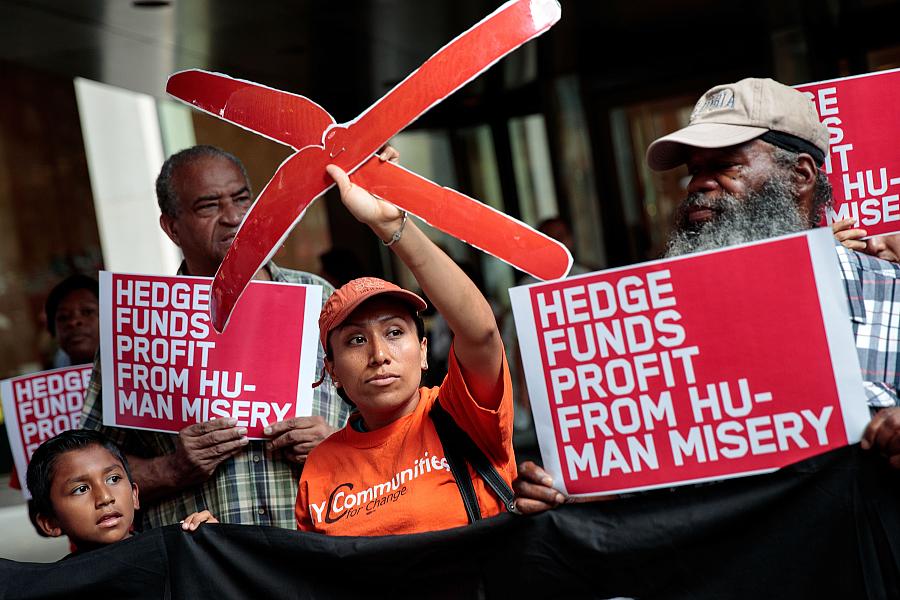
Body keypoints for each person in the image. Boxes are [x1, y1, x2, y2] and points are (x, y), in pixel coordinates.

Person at [514, 77, 900, 510]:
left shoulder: (891, 295)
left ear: (800, 176)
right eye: (694, 170)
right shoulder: (648, 329)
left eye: (725, 165)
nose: (698, 184)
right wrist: (573, 490)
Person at [79, 145, 372, 529]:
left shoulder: (320, 300)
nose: (233, 217)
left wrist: (337, 444)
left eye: (241, 199)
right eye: (208, 206)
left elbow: (388, 419)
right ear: (171, 227)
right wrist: (172, 469)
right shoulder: (140, 321)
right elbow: (85, 467)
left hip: (320, 558)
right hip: (205, 572)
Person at [295, 163, 515, 535]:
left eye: (395, 332)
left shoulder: (461, 414)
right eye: (356, 340)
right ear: (331, 370)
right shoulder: (319, 468)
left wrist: (392, 226)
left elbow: (481, 335)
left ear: (424, 350)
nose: (379, 354)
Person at [25, 429, 216, 555]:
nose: (105, 498)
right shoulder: (56, 587)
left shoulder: (179, 553)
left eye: (113, 479)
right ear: (49, 522)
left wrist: (215, 548)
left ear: (134, 495)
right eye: (81, 489)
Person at [45, 274, 100, 367]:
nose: (73, 322)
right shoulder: (52, 376)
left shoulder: (132, 375)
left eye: (87, 312)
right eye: (63, 317)